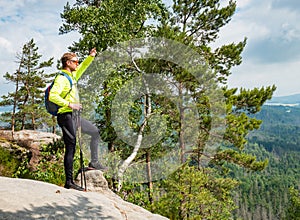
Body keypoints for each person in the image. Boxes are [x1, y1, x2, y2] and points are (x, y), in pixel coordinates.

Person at [49, 48, 106, 191]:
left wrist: (91, 56)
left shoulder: (73, 76)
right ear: (68, 63)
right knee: (71, 146)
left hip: (74, 116)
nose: (77, 64)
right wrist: (70, 104)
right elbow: (53, 96)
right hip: (65, 115)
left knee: (95, 132)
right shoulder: (61, 78)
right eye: (75, 61)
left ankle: (94, 162)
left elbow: (84, 66)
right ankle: (69, 182)